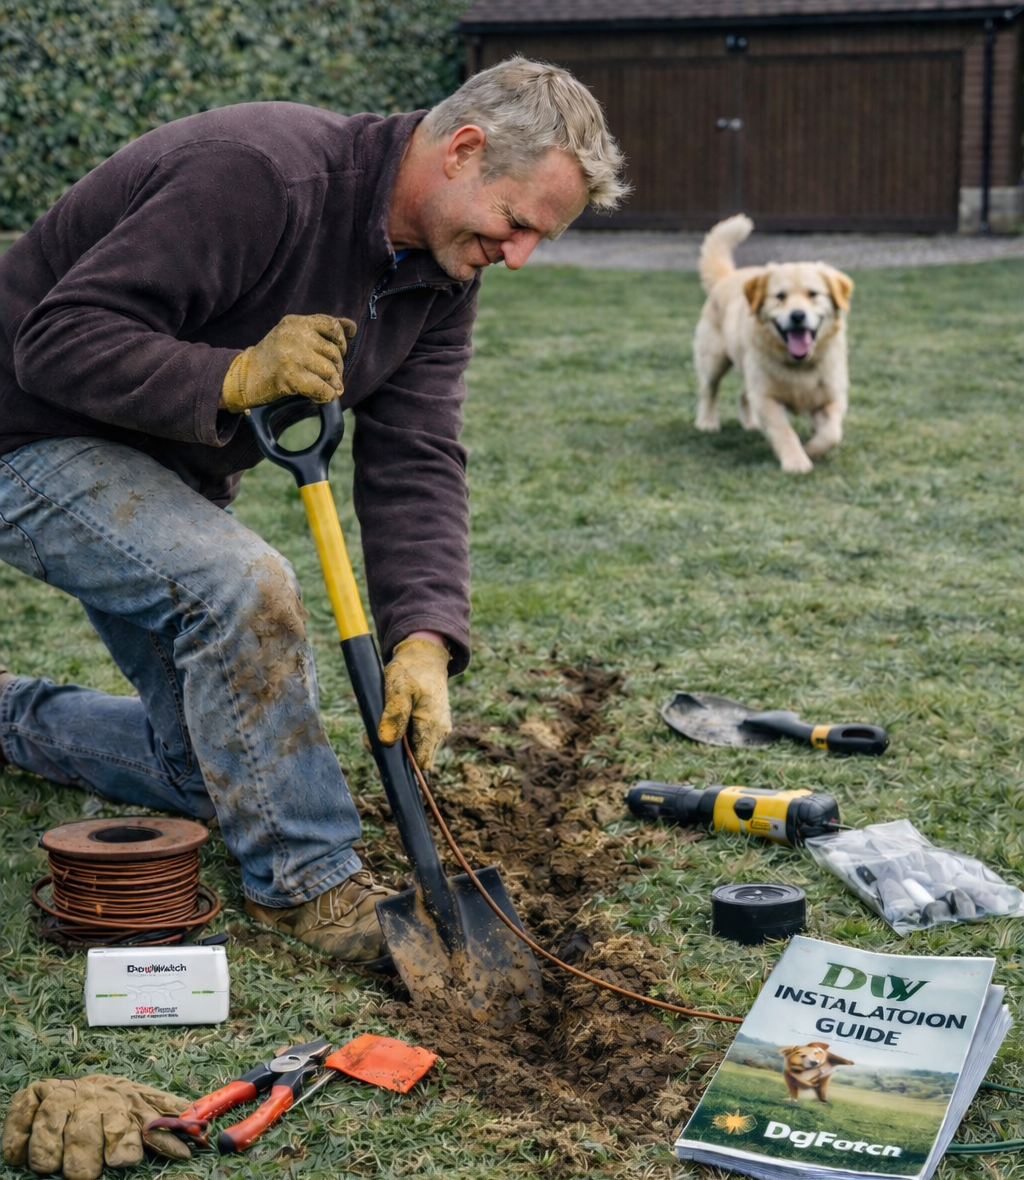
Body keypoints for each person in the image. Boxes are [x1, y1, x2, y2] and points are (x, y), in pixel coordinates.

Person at [0, 57, 627, 962]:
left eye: (540, 239)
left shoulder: (443, 273)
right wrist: (232, 375)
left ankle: (16, 719)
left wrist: (423, 636)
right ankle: (308, 883)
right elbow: (51, 343)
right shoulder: (261, 176)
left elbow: (415, 452)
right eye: (517, 223)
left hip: (164, 464)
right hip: (28, 434)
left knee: (226, 776)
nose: (519, 254)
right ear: (463, 149)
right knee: (243, 586)